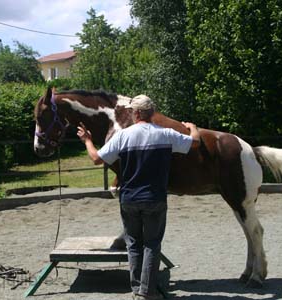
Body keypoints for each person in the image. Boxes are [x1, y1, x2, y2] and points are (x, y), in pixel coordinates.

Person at [77, 95, 200, 300]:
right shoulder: (166, 134)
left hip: (129, 199)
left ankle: (137, 291)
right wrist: (192, 127)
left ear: (135, 113)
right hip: (155, 198)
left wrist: (87, 140)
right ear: (151, 113)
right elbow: (195, 143)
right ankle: (147, 292)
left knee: (133, 245)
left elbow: (96, 159)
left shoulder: (123, 136)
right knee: (152, 244)